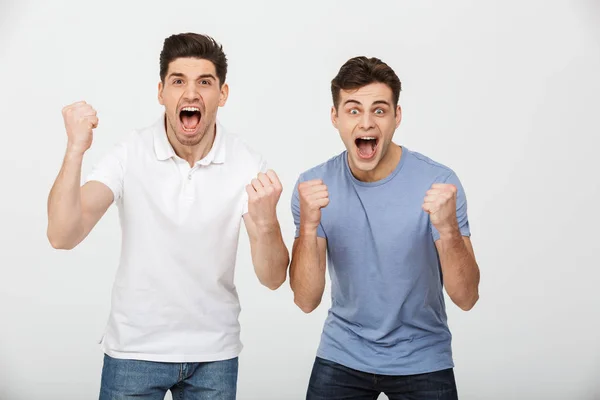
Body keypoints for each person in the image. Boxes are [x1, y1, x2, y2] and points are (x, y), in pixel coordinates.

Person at [46, 32, 289, 400]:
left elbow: (272, 279)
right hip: (134, 351)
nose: (191, 94)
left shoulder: (246, 163)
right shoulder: (130, 152)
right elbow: (62, 235)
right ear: (161, 92)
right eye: (178, 81)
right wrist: (75, 149)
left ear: (222, 94)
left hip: (214, 356)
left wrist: (267, 221)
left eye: (204, 82)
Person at [290, 56, 480, 399]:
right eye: (353, 110)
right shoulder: (313, 187)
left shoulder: (439, 183)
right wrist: (308, 226)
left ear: (397, 116)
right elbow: (306, 300)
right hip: (343, 353)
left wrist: (448, 230)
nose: (366, 123)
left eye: (379, 110)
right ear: (335, 117)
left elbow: (466, 298)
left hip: (423, 356)